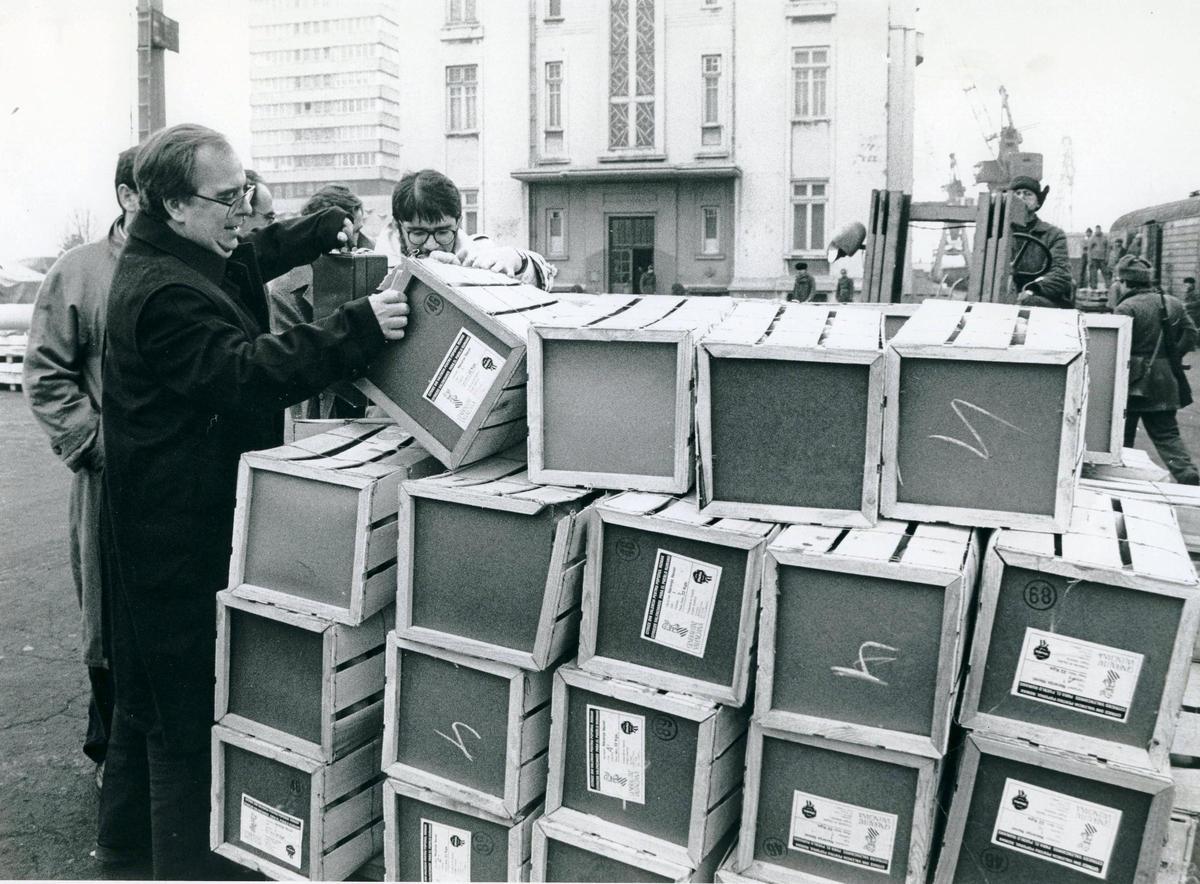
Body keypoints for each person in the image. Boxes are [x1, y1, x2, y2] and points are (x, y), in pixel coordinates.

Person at [99, 123, 410, 879]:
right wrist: (357, 329)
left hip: (174, 522)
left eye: (247, 193)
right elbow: (241, 372)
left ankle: (120, 853)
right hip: (171, 540)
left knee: (146, 701)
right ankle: (178, 865)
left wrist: (314, 230)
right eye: (229, 198)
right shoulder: (163, 290)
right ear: (175, 204)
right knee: (184, 719)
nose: (244, 212)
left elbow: (251, 260)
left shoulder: (187, 253)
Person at [23, 147, 139, 803]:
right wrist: (93, 444)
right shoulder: (79, 272)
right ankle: (108, 751)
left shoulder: (202, 267)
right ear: (128, 195)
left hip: (181, 484)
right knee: (106, 616)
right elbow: (46, 373)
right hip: (108, 479)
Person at [268, 183, 375, 419]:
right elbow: (297, 364)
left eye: (359, 231)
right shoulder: (287, 289)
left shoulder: (370, 268)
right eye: (352, 234)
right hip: (317, 411)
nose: (358, 243)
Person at [391, 168, 554, 289]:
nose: (432, 245)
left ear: (458, 223)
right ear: (397, 226)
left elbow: (543, 276)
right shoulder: (376, 268)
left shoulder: (479, 254)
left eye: (443, 232)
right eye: (418, 233)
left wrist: (518, 262)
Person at [1115, 254, 1200, 485]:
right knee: (1167, 434)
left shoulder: (1125, 308)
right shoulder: (1172, 302)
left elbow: (1119, 347)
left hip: (1133, 379)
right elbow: (1192, 333)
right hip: (1166, 378)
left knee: (1122, 435)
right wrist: (1173, 355)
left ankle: (1121, 478)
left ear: (1125, 282)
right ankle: (1187, 473)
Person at [1009, 175, 1074, 309]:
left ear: (1038, 203)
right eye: (1017, 193)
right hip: (1004, 293)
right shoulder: (996, 234)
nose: (1021, 197)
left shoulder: (1054, 235)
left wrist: (1033, 289)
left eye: (1028, 194)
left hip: (1040, 296)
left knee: (1029, 303)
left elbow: (1060, 273)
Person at [1088, 224, 1109, 289]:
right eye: (1096, 229)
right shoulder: (1092, 238)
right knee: (1093, 274)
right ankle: (1093, 286)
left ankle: (1108, 286)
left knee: (1106, 272)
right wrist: (1089, 260)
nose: (1098, 231)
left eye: (1099, 229)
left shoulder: (1105, 238)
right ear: (1095, 230)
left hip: (1102, 258)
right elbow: (1089, 249)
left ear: (1100, 230)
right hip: (1094, 258)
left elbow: (1108, 249)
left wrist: (1107, 258)